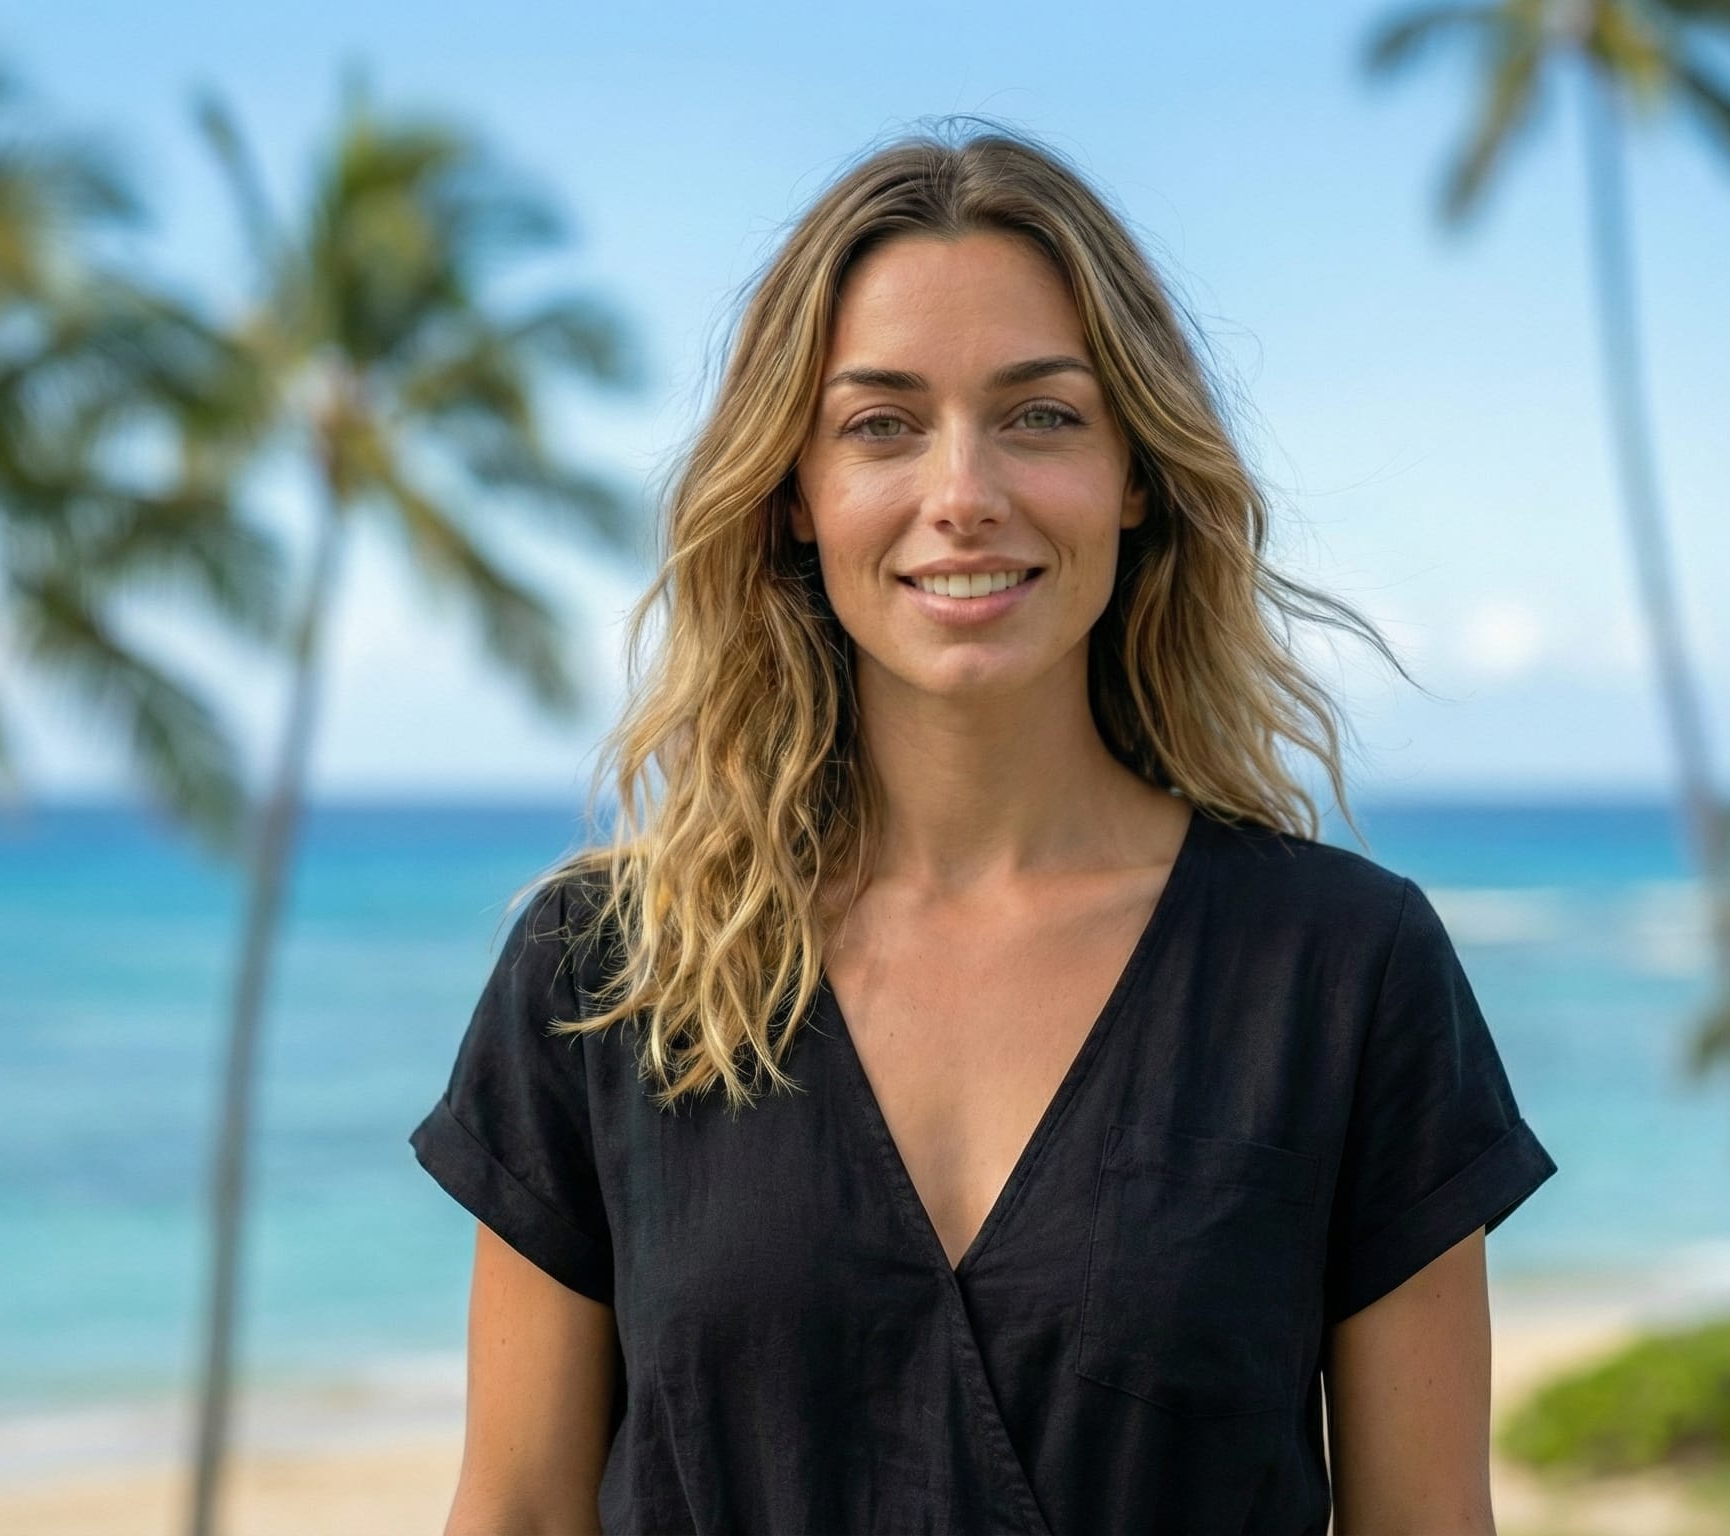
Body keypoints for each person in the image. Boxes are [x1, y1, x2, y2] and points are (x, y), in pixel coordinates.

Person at [412, 126, 1556, 1535]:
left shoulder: (1342, 973)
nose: (964, 494)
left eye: (1042, 415)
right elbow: (517, 1509)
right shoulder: (603, 975)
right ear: (794, 497)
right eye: (881, 424)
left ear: (1137, 475)